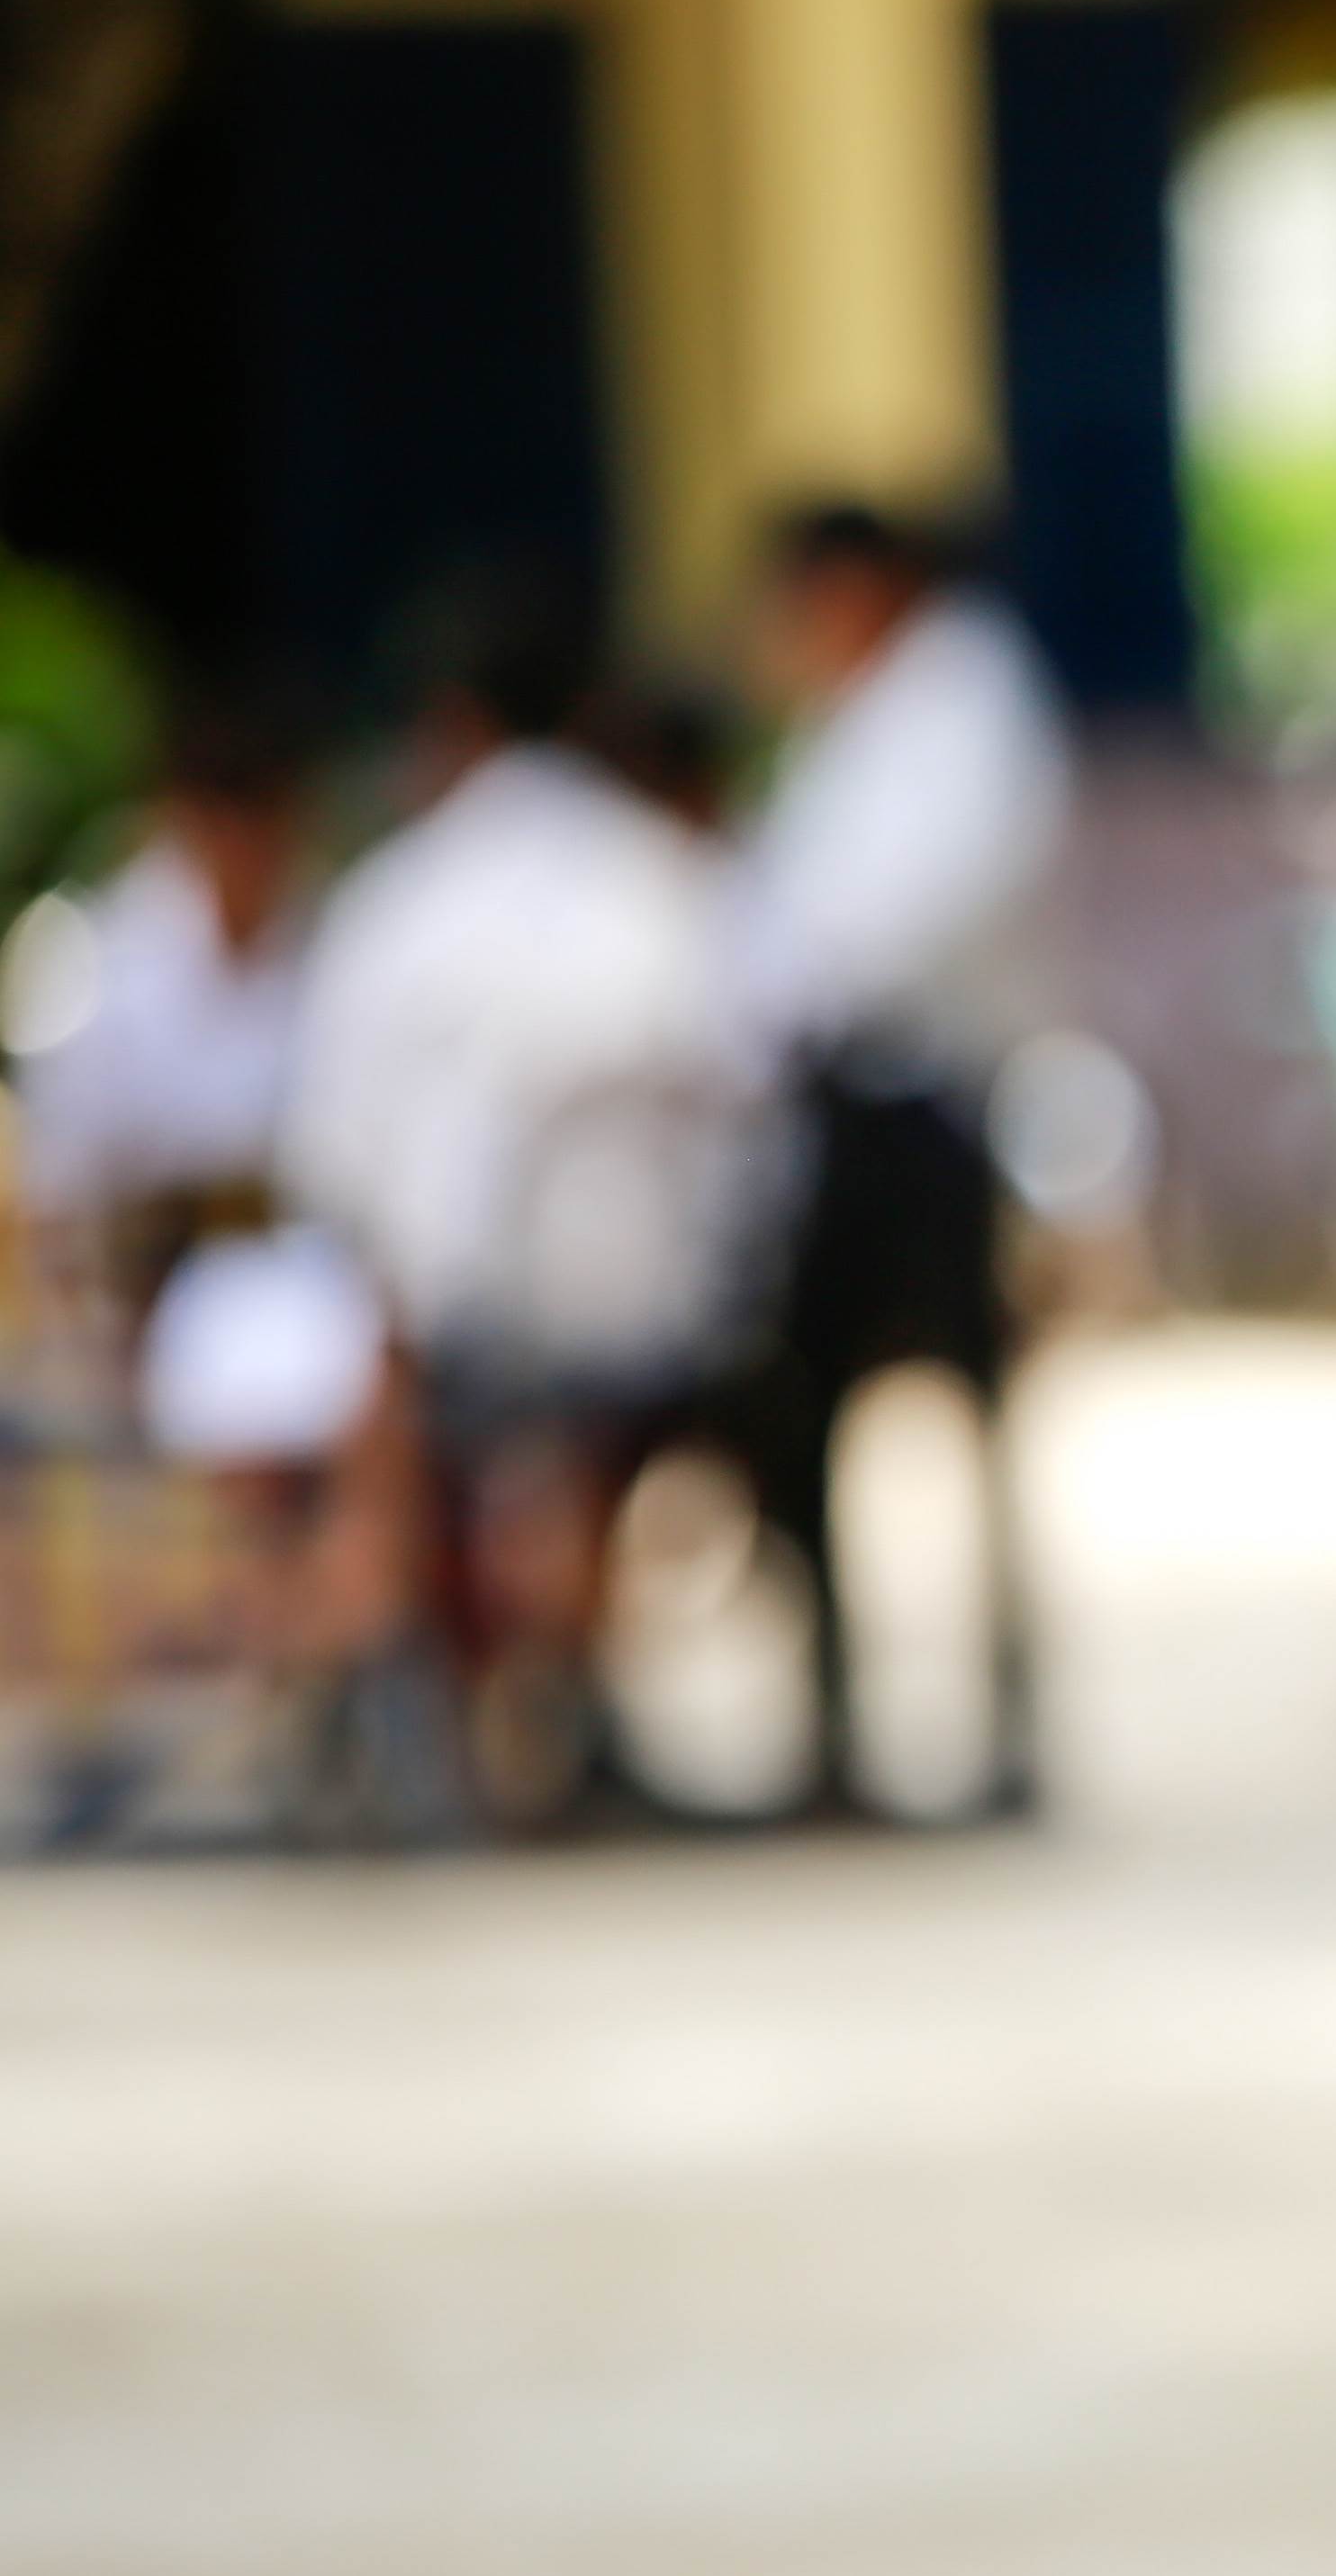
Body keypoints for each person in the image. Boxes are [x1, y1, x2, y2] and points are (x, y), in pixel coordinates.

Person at [282, 562, 752, 1824]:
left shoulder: (398, 902)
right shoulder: (665, 882)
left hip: (465, 1316)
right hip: (651, 1308)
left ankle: (385, 1683)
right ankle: (563, 1693)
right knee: (566, 1399)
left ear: (447, 725)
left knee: (371, 1352)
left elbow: (332, 1154)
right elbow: (742, 1100)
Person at [721, 500, 1071, 1817]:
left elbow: (876, 935)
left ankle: (1000, 1727)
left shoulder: (966, 706)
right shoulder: (868, 720)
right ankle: (837, 1727)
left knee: (968, 1423)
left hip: (919, 1106)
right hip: (843, 1104)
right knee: (811, 1421)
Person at [14, 682, 318, 1310]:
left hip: (295, 1281)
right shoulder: (97, 958)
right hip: (136, 1288)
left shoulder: (323, 938)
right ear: (190, 819)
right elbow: (62, 1192)